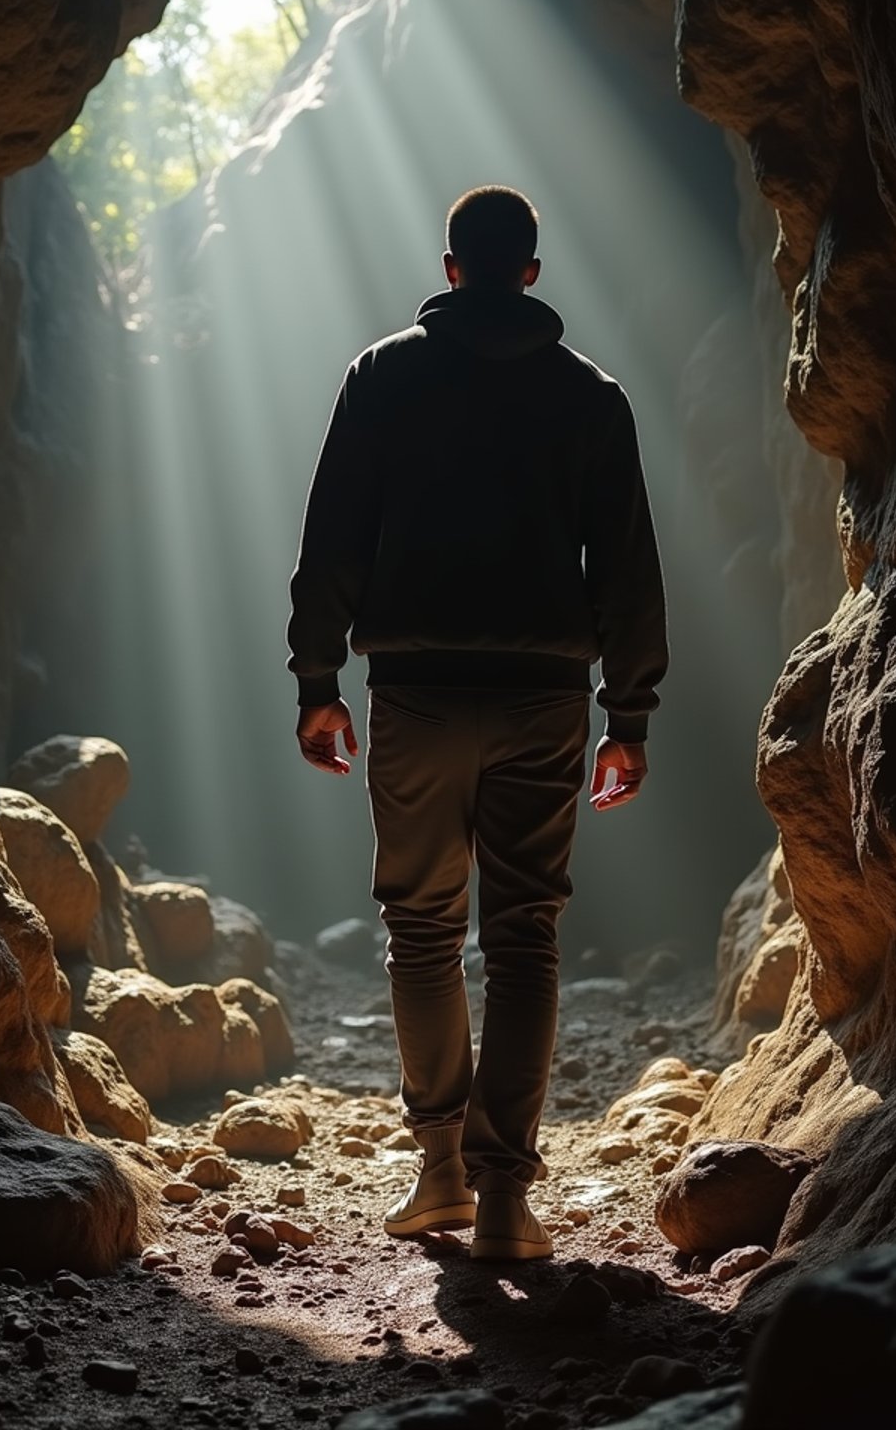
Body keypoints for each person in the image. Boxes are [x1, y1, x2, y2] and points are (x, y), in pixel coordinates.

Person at [287, 185, 667, 1261]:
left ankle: (440, 1172)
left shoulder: (381, 375)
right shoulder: (591, 398)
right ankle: (507, 1198)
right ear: (530, 275)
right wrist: (626, 712)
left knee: (420, 929)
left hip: (411, 691)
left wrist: (318, 680)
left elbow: (332, 545)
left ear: (451, 268)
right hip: (546, 700)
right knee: (525, 936)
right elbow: (628, 575)